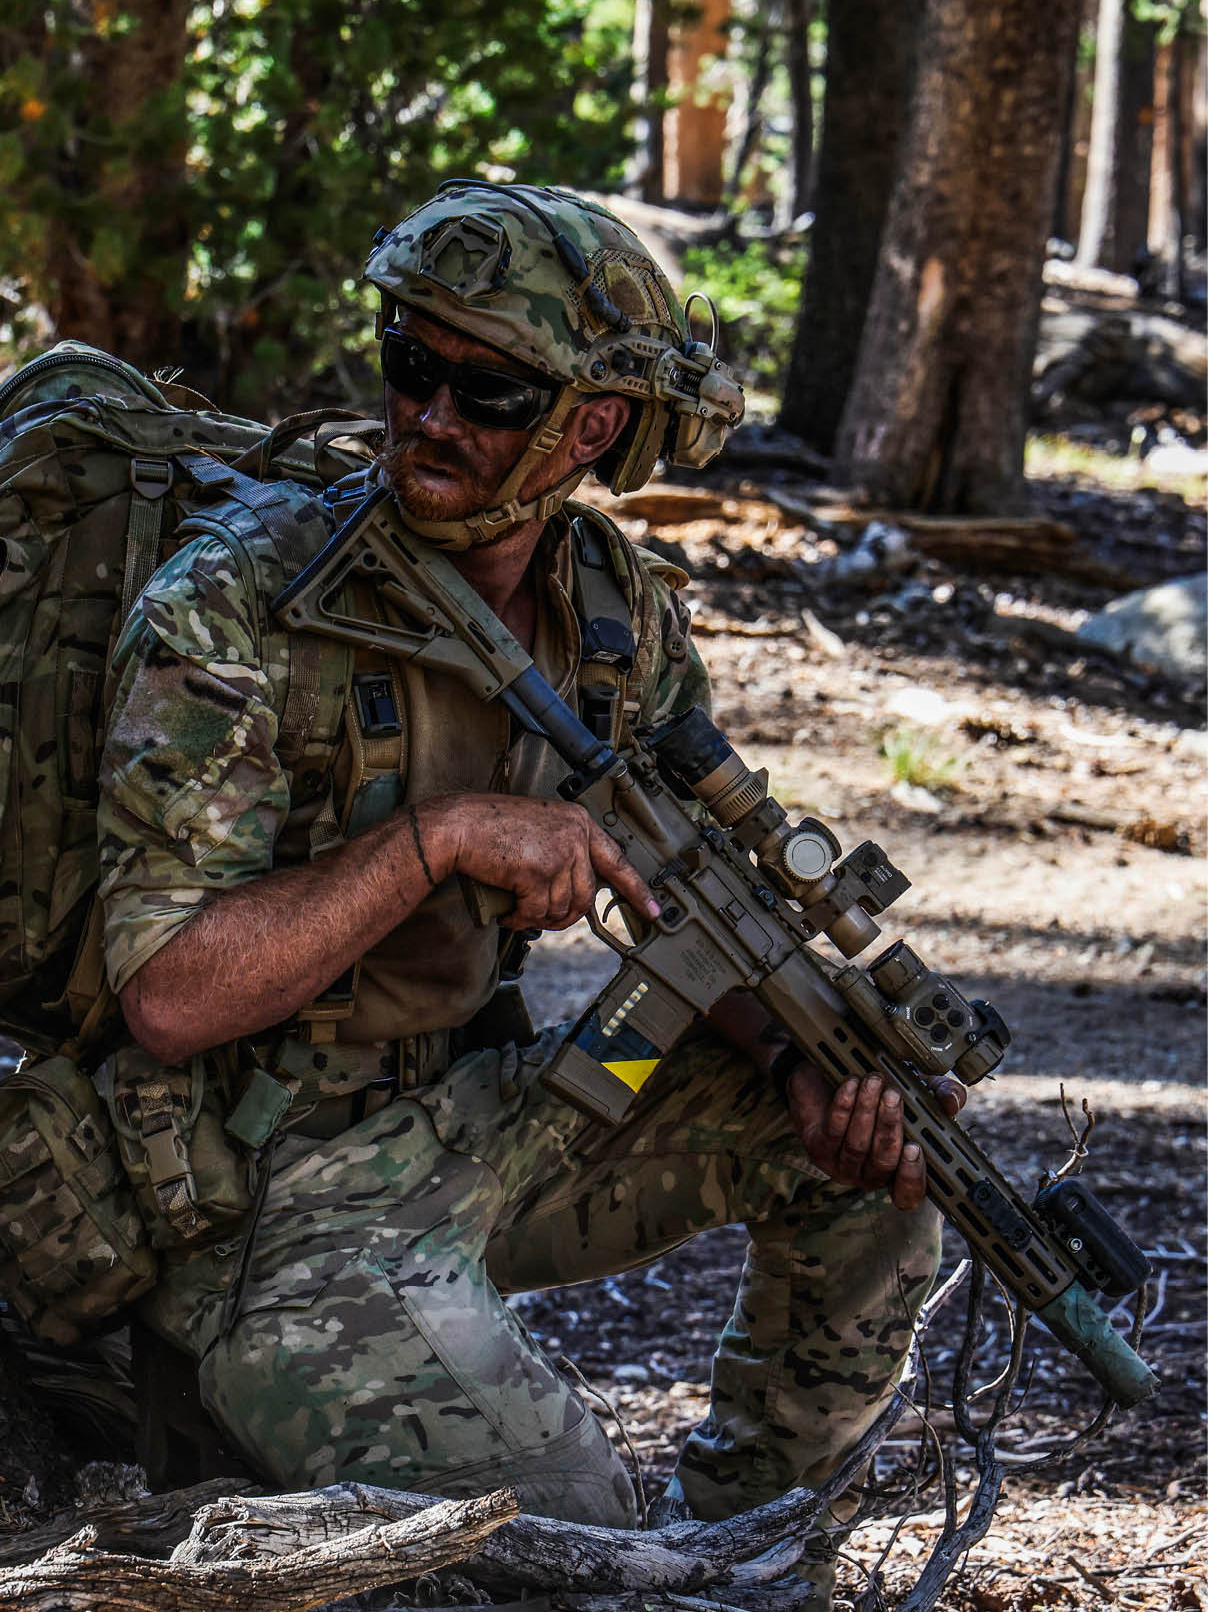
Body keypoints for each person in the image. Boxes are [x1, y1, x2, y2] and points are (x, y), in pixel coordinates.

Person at [97, 182, 954, 1599]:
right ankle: (652, 1569)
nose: (429, 414)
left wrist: (808, 1061)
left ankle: (752, 1556)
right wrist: (439, 838)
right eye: (406, 362)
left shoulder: (614, 612)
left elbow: (699, 903)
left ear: (594, 425)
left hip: (487, 1118)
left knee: (870, 1174)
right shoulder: (240, 601)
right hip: (250, 1198)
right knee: (572, 1547)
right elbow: (173, 993)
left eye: (487, 389)